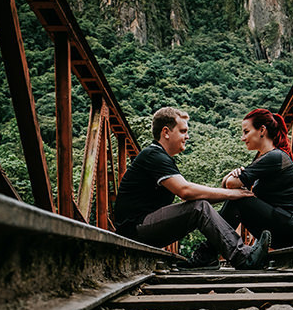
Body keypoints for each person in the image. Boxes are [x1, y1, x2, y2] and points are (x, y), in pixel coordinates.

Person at [114, 107, 272, 269]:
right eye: (183, 131)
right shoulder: (153, 155)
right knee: (199, 207)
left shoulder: (160, 156)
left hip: (141, 228)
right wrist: (232, 193)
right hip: (134, 230)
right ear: (166, 132)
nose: (187, 136)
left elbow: (191, 194)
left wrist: (232, 196)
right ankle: (243, 258)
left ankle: (207, 257)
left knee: (201, 205)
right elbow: (186, 192)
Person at [186, 108, 293, 267]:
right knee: (238, 198)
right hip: (288, 227)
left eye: (246, 132)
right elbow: (228, 184)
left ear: (262, 130)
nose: (243, 138)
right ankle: (209, 253)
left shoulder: (275, 157)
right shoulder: (268, 158)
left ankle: (207, 253)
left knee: (239, 200)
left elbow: (230, 184)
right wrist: (230, 177)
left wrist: (231, 178)